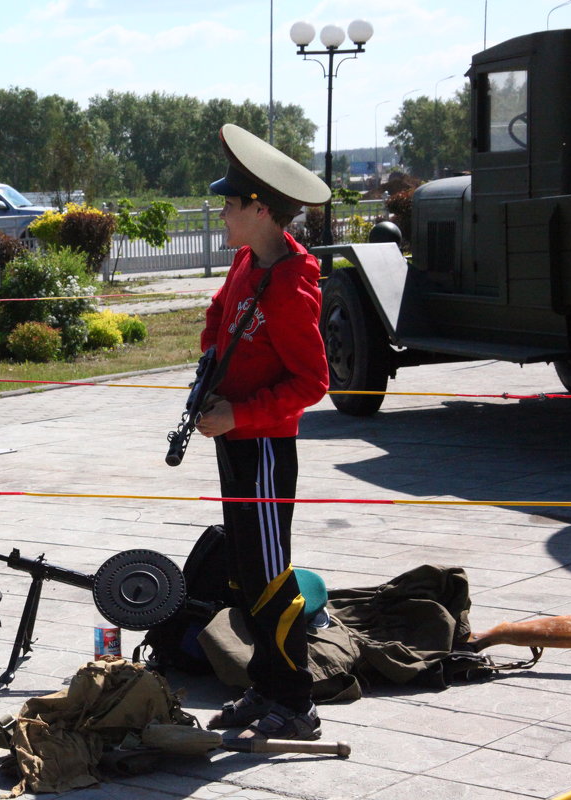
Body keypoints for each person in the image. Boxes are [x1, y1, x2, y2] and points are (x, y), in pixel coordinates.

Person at [194, 123, 331, 740]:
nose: (222, 211)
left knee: (274, 579)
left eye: (230, 204)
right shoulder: (251, 259)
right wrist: (209, 378)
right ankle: (266, 685)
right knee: (247, 571)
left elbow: (313, 382)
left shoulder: (291, 287)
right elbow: (221, 312)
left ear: (259, 209)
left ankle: (294, 701)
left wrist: (241, 415)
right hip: (236, 440)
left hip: (266, 448)